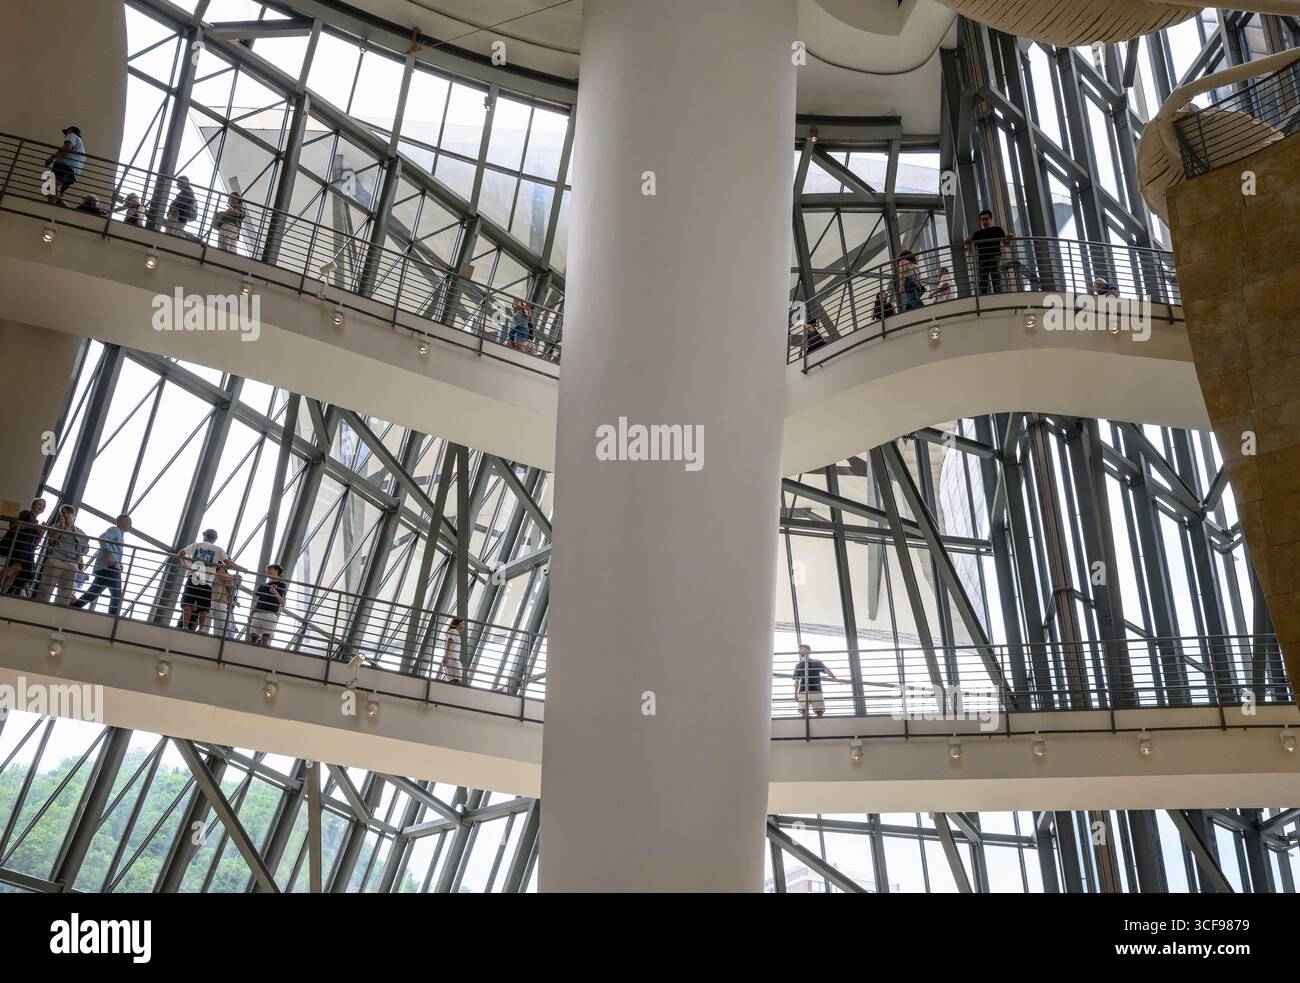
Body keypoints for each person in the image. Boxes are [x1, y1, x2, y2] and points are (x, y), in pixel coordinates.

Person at [178, 529, 240, 632]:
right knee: (204, 606)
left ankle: (184, 626)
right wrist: (241, 569)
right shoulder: (218, 549)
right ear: (215, 539)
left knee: (187, 602)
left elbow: (181, 553)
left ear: (205, 536)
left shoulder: (196, 545)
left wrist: (186, 564)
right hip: (206, 580)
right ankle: (202, 628)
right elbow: (229, 562)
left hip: (193, 577)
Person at [72, 514, 132, 616]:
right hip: (109, 568)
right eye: (129, 522)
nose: (130, 525)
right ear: (122, 522)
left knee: (93, 593)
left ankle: (74, 607)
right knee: (116, 594)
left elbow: (112, 548)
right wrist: (109, 553)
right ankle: (112, 617)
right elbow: (103, 538)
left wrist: (119, 564)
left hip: (105, 567)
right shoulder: (115, 530)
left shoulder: (120, 534)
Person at [39, 504, 88, 606]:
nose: (65, 515)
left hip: (71, 564)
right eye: (63, 513)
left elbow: (84, 549)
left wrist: (77, 559)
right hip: (56, 559)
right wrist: (61, 528)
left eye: (67, 513)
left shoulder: (81, 533)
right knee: (46, 588)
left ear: (73, 515)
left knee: (65, 594)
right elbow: (51, 542)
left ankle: (58, 611)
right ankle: (40, 607)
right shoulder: (55, 527)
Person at [1, 498, 48, 596]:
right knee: (14, 569)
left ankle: (3, 593)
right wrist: (34, 527)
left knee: (15, 572)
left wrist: (41, 532)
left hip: (26, 549)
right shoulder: (26, 513)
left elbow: (35, 543)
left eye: (43, 506)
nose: (41, 507)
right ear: (33, 505)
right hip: (19, 546)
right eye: (40, 504)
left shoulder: (36, 521)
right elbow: (14, 525)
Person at [965, 209, 1014, 295]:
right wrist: (969, 243)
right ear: (980, 221)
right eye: (982, 219)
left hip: (994, 257)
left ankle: (998, 296)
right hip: (983, 259)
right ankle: (984, 298)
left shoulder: (998, 230)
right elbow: (970, 250)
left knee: (995, 278)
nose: (984, 221)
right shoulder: (977, 234)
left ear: (990, 219)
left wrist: (1010, 237)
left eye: (986, 219)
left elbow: (1007, 244)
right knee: (983, 280)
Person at [792, 644, 841, 718]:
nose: (800, 650)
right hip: (803, 691)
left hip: (816, 690)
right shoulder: (798, 665)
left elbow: (826, 670)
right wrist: (795, 694)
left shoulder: (816, 662)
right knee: (803, 713)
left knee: (819, 713)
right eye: (799, 649)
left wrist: (834, 678)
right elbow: (796, 680)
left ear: (808, 650)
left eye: (802, 648)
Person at [44, 126, 85, 207]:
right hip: (74, 172)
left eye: (66, 132)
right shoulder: (81, 146)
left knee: (54, 186)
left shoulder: (72, 135)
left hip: (64, 165)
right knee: (59, 193)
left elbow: (67, 147)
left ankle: (49, 206)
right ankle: (65, 208)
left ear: (72, 130)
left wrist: (52, 157)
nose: (65, 135)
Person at [248, 564, 287, 646]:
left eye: (270, 569)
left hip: (271, 614)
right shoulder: (263, 585)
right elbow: (258, 600)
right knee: (253, 637)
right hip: (258, 613)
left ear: (276, 571)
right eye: (267, 570)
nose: (267, 571)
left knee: (266, 638)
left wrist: (275, 592)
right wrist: (252, 612)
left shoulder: (282, 585)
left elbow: (283, 603)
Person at [210, 565, 242, 639]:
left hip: (227, 607)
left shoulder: (231, 585)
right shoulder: (229, 582)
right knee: (224, 625)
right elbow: (229, 594)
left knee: (224, 625)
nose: (239, 582)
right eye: (238, 580)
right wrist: (235, 602)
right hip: (225, 606)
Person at [440, 617, 466, 684]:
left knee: (454, 680)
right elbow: (449, 643)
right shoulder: (454, 631)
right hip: (451, 659)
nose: (464, 625)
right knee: (454, 681)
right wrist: (446, 656)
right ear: (457, 624)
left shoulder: (454, 632)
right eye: (462, 623)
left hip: (452, 659)